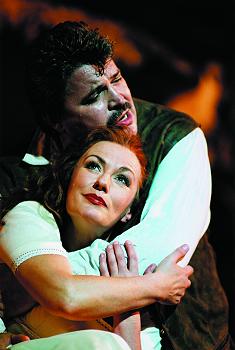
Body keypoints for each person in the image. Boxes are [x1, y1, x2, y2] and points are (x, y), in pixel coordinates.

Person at [0, 21, 232, 349]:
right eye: (95, 95)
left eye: (117, 79)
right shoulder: (20, 175)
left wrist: (29, 283)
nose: (120, 99)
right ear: (57, 121)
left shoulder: (174, 136)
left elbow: (154, 254)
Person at [0, 126, 193, 350]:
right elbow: (65, 295)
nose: (103, 182)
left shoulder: (128, 272)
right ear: (70, 176)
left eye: (122, 179)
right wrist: (156, 286)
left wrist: (127, 310)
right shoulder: (29, 215)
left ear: (128, 212)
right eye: (93, 165)